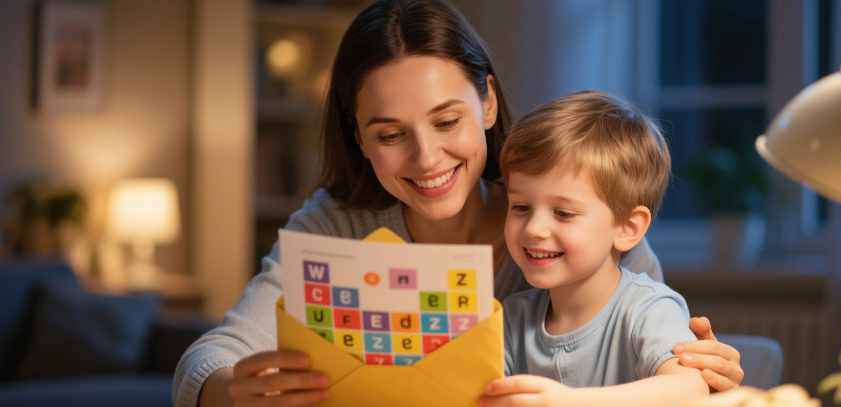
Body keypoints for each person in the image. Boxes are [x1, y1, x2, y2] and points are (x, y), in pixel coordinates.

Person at [173, 1, 744, 406]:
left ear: (488, 102)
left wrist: (704, 373)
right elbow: (208, 360)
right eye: (391, 135)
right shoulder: (336, 225)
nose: (426, 159)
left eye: (447, 121)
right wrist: (229, 391)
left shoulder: (593, 235)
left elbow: (677, 376)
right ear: (358, 139)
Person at [479, 91, 707, 407]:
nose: (533, 228)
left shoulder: (648, 309)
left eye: (563, 213)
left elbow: (690, 390)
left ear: (628, 228)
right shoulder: (512, 317)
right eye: (520, 207)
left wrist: (569, 402)